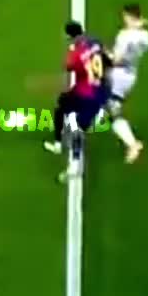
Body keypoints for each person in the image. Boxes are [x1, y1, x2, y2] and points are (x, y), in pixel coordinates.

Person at [43, 21, 110, 181]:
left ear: (69, 35)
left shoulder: (75, 54)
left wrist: (74, 53)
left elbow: (68, 66)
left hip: (86, 95)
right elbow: (108, 59)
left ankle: (74, 165)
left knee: (76, 129)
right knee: (62, 105)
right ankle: (59, 144)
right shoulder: (95, 42)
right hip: (99, 91)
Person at [106, 4, 148, 164]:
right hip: (130, 76)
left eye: (125, 16)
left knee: (112, 113)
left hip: (117, 76)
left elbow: (115, 60)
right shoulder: (145, 36)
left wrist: (103, 54)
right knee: (109, 106)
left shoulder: (124, 36)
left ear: (129, 17)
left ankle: (133, 144)